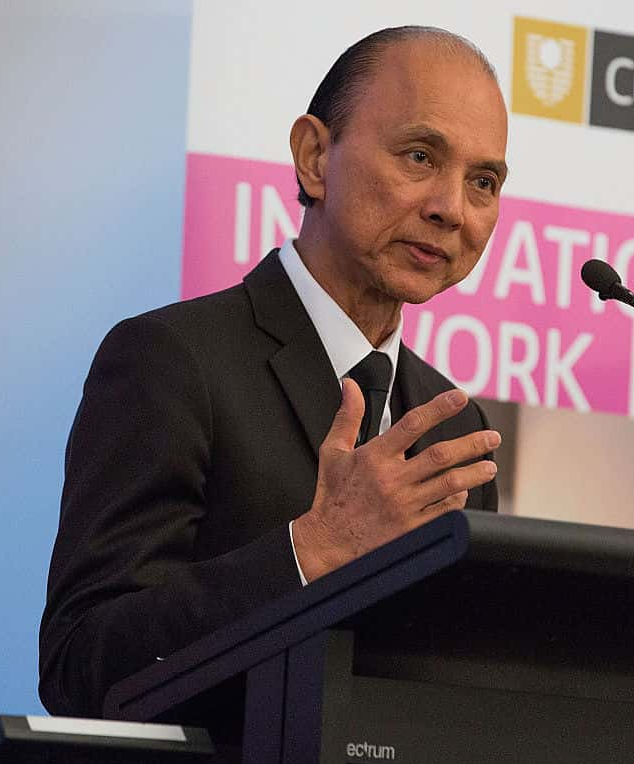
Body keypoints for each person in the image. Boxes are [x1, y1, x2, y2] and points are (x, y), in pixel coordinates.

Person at [39, 26, 508, 719]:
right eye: (419, 155)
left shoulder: (455, 425)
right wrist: (313, 549)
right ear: (315, 157)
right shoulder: (171, 361)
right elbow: (80, 665)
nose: (451, 208)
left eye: (483, 182)